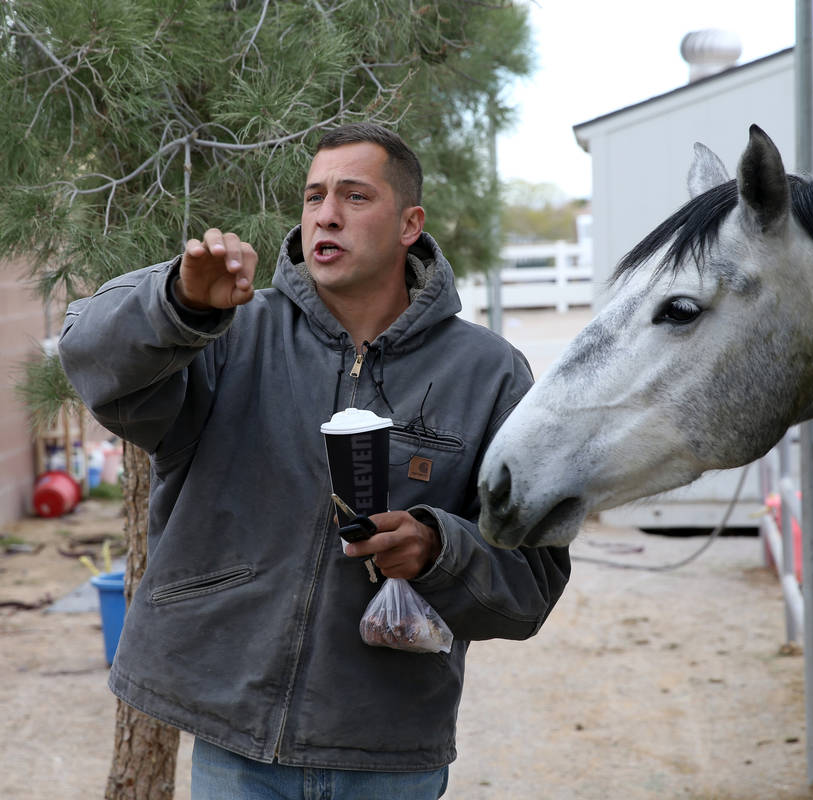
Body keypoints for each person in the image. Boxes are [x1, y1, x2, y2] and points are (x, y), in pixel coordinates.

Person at [58, 122, 571, 799]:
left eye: (355, 196)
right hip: (235, 739)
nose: (326, 214)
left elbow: (533, 581)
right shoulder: (227, 333)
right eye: (314, 196)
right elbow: (89, 359)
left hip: (393, 749)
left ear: (410, 223)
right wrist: (177, 305)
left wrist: (439, 550)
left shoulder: (490, 375)